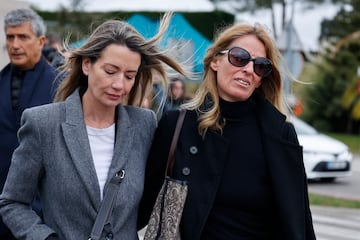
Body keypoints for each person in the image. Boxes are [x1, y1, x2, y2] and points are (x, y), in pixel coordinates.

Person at [0, 12, 187, 240]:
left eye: (129, 76)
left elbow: (147, 203)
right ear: (87, 64)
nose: (119, 84)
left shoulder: (144, 124)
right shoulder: (43, 123)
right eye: (110, 71)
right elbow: (13, 202)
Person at [138, 22, 316, 239]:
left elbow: (300, 219)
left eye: (260, 65)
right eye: (239, 57)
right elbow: (138, 207)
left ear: (261, 79)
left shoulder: (280, 134)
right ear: (215, 61)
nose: (249, 69)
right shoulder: (177, 125)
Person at [0, 8, 58, 240]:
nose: (14, 45)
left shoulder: (61, 86)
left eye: (23, 37)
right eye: (10, 37)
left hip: (44, 215)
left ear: (41, 41)